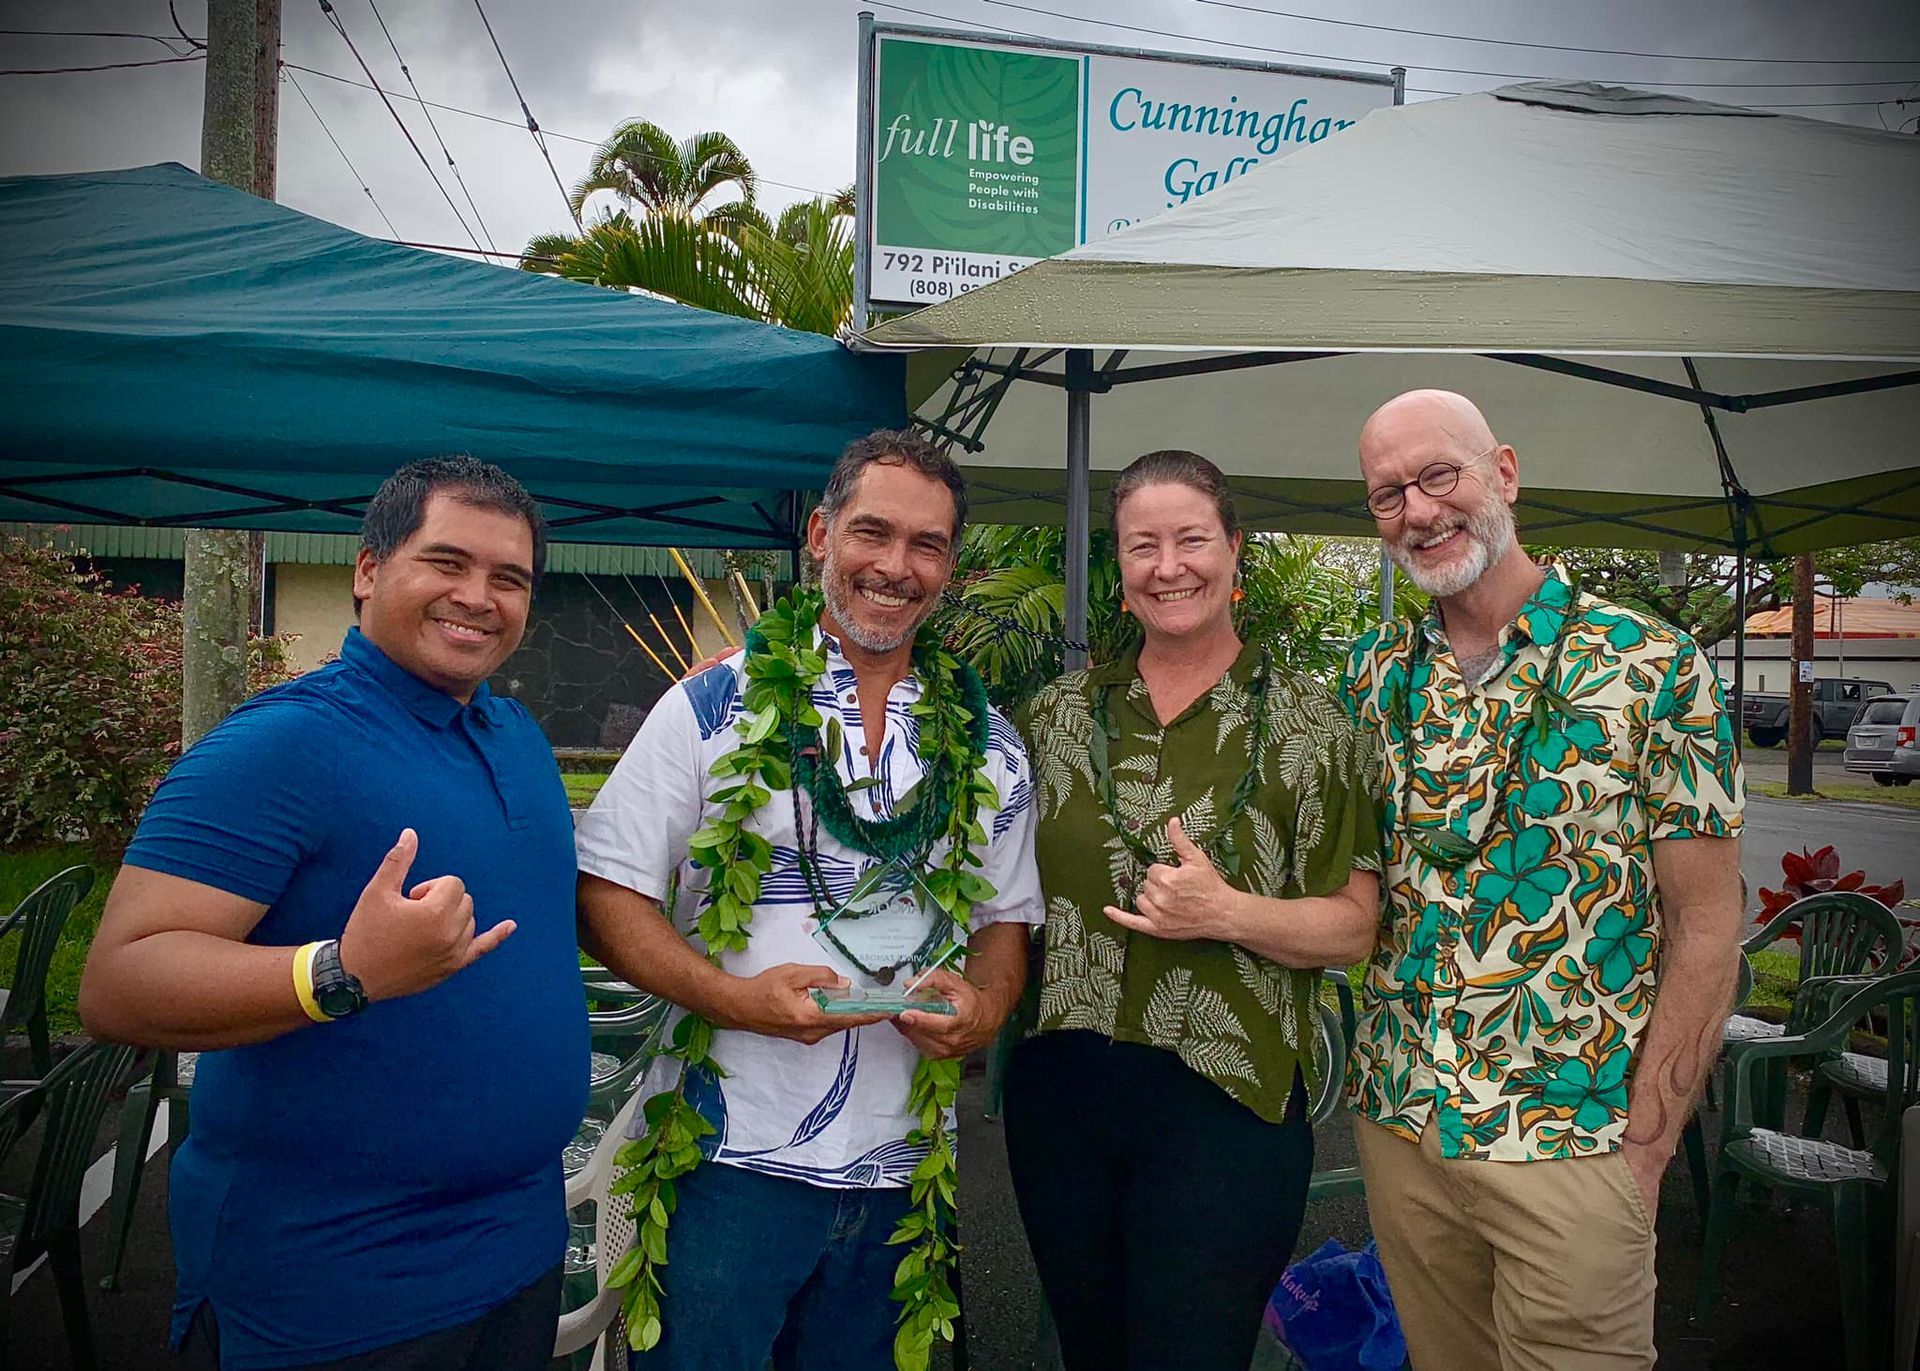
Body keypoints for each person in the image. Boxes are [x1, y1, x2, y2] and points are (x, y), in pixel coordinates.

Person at [78, 457, 588, 1371]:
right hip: (334, 1290)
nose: (478, 597)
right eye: (447, 562)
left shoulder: (516, 736)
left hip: (518, 1254)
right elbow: (118, 982)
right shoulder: (283, 743)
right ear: (368, 569)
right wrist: (338, 972)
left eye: (509, 578)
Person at [574, 429, 1042, 1371]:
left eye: (927, 544)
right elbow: (605, 893)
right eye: (874, 532)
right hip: (725, 1156)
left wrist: (988, 1007)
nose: (896, 566)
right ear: (822, 534)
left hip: (904, 1170)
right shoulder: (713, 707)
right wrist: (735, 999)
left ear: (950, 566)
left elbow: (1004, 922)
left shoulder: (991, 745)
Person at [1340, 390, 1745, 1370]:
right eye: (1389, 494)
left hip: (1575, 1135)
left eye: (1439, 475)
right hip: (1403, 1124)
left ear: (1506, 473)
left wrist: (1647, 1145)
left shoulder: (1652, 665)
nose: (1418, 510)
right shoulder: (1371, 675)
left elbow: (1707, 925)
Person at [1005, 450, 1383, 1371]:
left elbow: (1355, 924)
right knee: (1093, 1353)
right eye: (1144, 545)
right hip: (1063, 1095)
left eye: (1191, 540)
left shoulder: (1313, 724)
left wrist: (1227, 911)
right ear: (1120, 567)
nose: (1168, 565)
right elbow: (995, 890)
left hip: (1229, 1103)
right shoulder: (1053, 716)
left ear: (1234, 549)